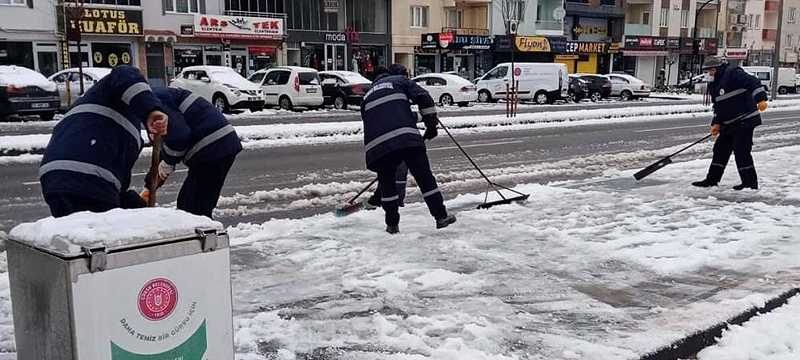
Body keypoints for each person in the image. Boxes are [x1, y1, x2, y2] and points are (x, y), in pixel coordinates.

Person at [39, 66, 167, 218]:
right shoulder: (112, 88)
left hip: (54, 179)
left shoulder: (105, 110)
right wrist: (152, 110)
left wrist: (133, 204)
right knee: (99, 234)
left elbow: (116, 177)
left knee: (79, 234)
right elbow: (125, 72)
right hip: (87, 176)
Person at [360, 63, 456, 234]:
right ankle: (441, 216)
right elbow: (424, 97)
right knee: (424, 178)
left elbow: (384, 118)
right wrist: (431, 124)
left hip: (377, 148)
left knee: (387, 185)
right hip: (407, 140)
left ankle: (392, 225)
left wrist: (418, 117)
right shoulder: (399, 81)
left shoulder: (366, 96)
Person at [142, 87, 242, 218]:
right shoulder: (155, 98)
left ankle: (206, 236)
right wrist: (150, 185)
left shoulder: (154, 101)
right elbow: (169, 141)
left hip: (212, 146)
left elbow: (179, 138)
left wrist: (167, 163)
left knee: (193, 210)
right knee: (190, 205)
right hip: (216, 145)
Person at [692, 56, 768, 190]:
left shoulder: (732, 73)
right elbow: (719, 106)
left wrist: (760, 99)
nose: (705, 75)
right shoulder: (713, 83)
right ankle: (712, 180)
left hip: (745, 119)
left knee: (741, 151)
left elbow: (753, 82)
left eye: (706, 71)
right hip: (728, 123)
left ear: (714, 69)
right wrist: (716, 123)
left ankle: (749, 183)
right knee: (720, 150)